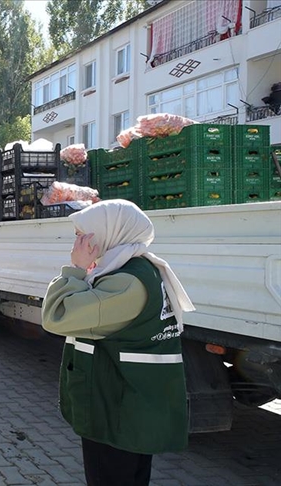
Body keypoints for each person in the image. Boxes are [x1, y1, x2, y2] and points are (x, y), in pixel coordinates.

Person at [41, 199, 195, 486]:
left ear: (109, 233)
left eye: (83, 235)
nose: (77, 242)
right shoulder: (138, 269)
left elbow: (56, 316)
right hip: (132, 405)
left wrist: (76, 269)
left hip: (117, 410)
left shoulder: (125, 282)